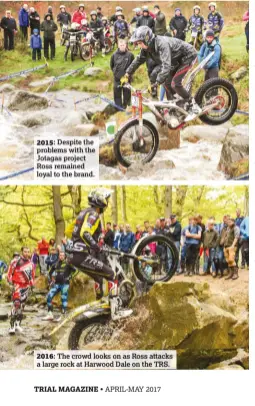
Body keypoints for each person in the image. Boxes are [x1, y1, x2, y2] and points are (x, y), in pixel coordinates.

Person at [67, 188, 132, 320]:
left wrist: (78, 243)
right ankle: (116, 311)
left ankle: (100, 301)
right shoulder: (93, 214)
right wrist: (95, 246)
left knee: (98, 278)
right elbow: (84, 233)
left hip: (73, 255)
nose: (107, 203)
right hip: (81, 255)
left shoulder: (83, 213)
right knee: (112, 275)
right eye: (106, 200)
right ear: (100, 200)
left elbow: (69, 231)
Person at [124, 26, 200, 120]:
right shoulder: (146, 48)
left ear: (147, 40)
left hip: (187, 56)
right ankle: (177, 104)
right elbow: (138, 60)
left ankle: (193, 105)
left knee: (175, 83)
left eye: (140, 43)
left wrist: (157, 81)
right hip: (176, 60)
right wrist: (127, 73)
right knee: (166, 83)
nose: (139, 45)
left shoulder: (162, 44)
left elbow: (166, 66)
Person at [7, 247, 35, 334]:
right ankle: (11, 326)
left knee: (22, 306)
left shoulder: (31, 263)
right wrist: (11, 281)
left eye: (28, 252)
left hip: (26, 287)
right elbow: (9, 272)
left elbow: (32, 275)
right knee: (16, 304)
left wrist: (31, 284)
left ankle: (18, 324)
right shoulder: (15, 261)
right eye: (25, 252)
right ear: (22, 252)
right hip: (17, 285)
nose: (26, 253)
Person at [42, 251, 77, 321]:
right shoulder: (56, 264)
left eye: (63, 255)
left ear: (65, 256)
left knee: (63, 299)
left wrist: (70, 277)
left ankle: (63, 316)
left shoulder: (68, 264)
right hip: (56, 284)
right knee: (49, 297)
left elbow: (75, 271)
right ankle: (50, 314)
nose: (61, 256)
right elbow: (49, 272)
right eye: (60, 255)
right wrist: (51, 280)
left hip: (65, 284)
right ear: (59, 256)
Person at [110, 39, 134, 109]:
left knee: (127, 93)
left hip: (127, 78)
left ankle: (126, 106)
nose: (122, 46)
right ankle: (118, 108)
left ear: (126, 45)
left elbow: (133, 66)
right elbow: (111, 65)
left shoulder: (130, 55)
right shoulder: (114, 55)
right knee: (117, 93)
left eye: (123, 45)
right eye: (120, 45)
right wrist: (115, 73)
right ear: (118, 45)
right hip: (117, 78)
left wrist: (130, 75)